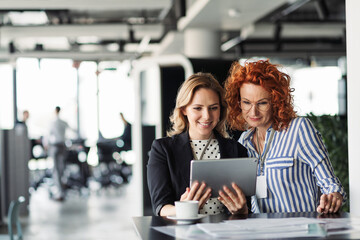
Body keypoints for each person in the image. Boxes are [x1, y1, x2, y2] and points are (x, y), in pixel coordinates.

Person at [224, 59, 346, 214]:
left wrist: (333, 196)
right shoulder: (243, 142)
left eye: (262, 103)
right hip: (262, 233)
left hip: (300, 232)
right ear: (238, 102)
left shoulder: (299, 129)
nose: (253, 112)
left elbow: (331, 184)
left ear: (275, 101)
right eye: (247, 103)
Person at [147, 72, 248, 217]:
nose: (207, 116)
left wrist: (242, 210)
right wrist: (184, 209)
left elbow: (247, 207)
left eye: (213, 108)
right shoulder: (163, 149)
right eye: (198, 108)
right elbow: (160, 207)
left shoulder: (237, 150)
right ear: (184, 109)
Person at [47, 106, 71, 201]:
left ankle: (60, 193)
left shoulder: (53, 123)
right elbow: (72, 130)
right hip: (63, 146)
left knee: (57, 170)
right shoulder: (63, 122)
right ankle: (61, 191)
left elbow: (48, 136)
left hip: (56, 146)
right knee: (61, 169)